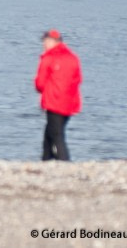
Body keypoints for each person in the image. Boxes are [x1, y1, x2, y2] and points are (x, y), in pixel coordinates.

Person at [34, 29, 82, 161]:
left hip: (54, 102)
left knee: (56, 135)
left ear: (52, 41)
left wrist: (43, 89)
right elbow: (78, 79)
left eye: (45, 41)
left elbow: (40, 83)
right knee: (50, 133)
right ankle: (46, 160)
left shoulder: (48, 58)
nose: (43, 44)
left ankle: (64, 162)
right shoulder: (73, 57)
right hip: (70, 102)